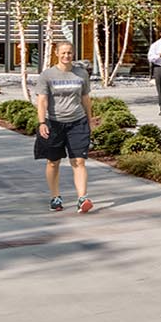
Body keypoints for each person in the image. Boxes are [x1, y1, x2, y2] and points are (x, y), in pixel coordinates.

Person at [35, 40, 96, 213]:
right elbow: (42, 100)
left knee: (79, 160)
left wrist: (89, 120)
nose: (66, 56)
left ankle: (82, 198)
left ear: (73, 53)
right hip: (54, 123)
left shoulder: (81, 73)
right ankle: (55, 197)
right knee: (53, 162)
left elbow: (85, 98)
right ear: (56, 53)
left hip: (78, 121)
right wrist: (42, 122)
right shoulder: (47, 75)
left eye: (69, 52)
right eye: (63, 53)